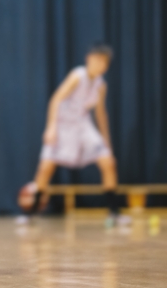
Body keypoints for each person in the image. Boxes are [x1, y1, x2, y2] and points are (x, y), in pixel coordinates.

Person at [25, 44, 124, 226]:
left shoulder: (101, 85)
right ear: (89, 59)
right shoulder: (77, 75)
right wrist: (51, 127)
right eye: (97, 59)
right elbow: (55, 99)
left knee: (108, 162)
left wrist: (107, 142)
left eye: (104, 62)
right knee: (45, 168)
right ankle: (31, 214)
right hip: (62, 124)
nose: (100, 64)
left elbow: (101, 114)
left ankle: (114, 212)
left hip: (83, 125)